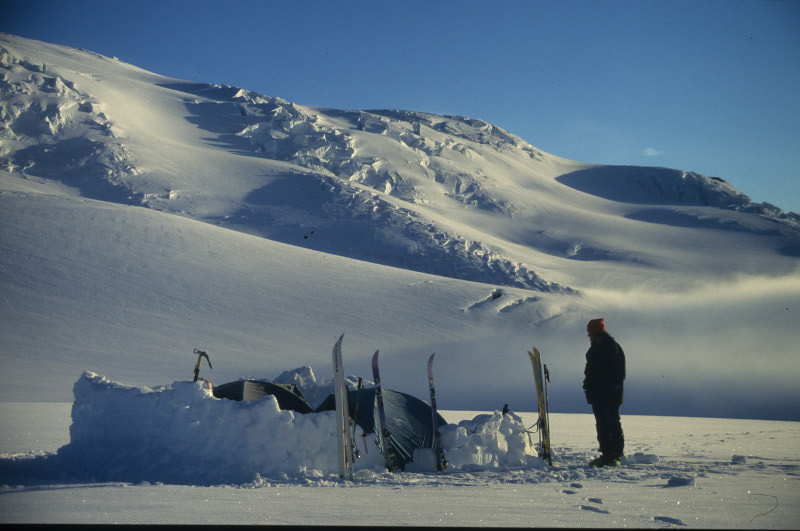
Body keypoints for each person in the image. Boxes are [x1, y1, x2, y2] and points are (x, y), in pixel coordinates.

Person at [582, 318, 625, 467]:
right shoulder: (595, 349)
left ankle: (615, 455)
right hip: (597, 396)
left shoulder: (612, 348)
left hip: (610, 396)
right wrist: (588, 387)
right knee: (602, 425)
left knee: (612, 424)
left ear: (597, 333)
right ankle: (606, 454)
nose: (589, 337)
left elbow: (618, 375)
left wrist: (606, 390)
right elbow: (590, 373)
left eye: (591, 334)